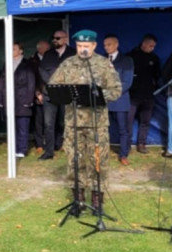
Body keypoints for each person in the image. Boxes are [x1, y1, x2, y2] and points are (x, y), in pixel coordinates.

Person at [48, 30, 122, 213]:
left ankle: (97, 201)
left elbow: (116, 89)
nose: (83, 50)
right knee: (74, 160)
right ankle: (78, 200)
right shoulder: (68, 64)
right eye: (80, 46)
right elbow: (54, 85)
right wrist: (64, 93)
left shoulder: (103, 64)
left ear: (94, 46)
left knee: (98, 161)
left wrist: (97, 96)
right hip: (73, 123)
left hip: (97, 123)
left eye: (86, 46)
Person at [38, 29, 75, 160]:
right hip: (50, 93)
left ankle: (64, 145)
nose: (55, 40)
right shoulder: (48, 54)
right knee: (48, 124)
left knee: (64, 122)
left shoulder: (73, 54)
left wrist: (63, 84)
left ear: (65, 39)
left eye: (58, 38)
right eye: (54, 38)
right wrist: (53, 83)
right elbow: (42, 70)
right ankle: (49, 151)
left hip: (66, 94)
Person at [103, 34, 135, 165]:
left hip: (120, 100)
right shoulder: (101, 60)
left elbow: (127, 82)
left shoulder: (126, 60)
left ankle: (123, 154)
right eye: (104, 45)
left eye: (109, 44)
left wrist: (113, 93)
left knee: (122, 129)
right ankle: (103, 153)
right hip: (104, 100)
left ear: (116, 45)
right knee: (103, 129)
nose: (106, 47)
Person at [126, 34, 160, 153]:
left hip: (148, 95)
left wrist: (153, 88)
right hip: (132, 96)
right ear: (144, 43)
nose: (152, 48)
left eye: (154, 46)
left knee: (145, 121)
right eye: (151, 45)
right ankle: (127, 144)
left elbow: (157, 76)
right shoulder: (131, 56)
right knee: (128, 121)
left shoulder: (154, 58)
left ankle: (142, 143)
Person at [7, 42, 37, 159]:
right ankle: (13, 148)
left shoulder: (28, 64)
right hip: (11, 100)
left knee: (22, 126)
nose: (11, 51)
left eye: (14, 49)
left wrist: (29, 100)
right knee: (12, 126)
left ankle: (22, 149)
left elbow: (31, 83)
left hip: (23, 99)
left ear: (21, 51)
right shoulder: (7, 63)